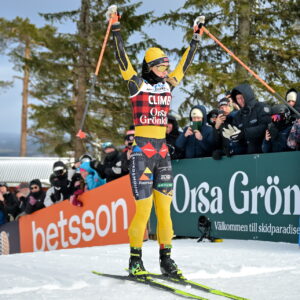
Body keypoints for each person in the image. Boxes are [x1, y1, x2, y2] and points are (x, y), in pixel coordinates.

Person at [107, 4, 204, 277]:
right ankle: (135, 260)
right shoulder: (137, 84)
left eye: (166, 65)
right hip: (142, 153)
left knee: (165, 211)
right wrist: (115, 26)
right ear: (150, 66)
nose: (166, 69)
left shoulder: (167, 85)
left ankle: (166, 259)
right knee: (144, 210)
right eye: (162, 65)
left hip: (162, 154)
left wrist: (195, 37)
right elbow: (122, 58)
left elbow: (185, 63)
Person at [222, 83, 271, 154]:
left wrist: (244, 133)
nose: (240, 101)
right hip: (246, 156)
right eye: (238, 98)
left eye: (242, 97)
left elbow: (265, 126)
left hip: (263, 152)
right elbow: (237, 136)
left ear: (248, 96)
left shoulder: (261, 107)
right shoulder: (238, 115)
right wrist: (230, 147)